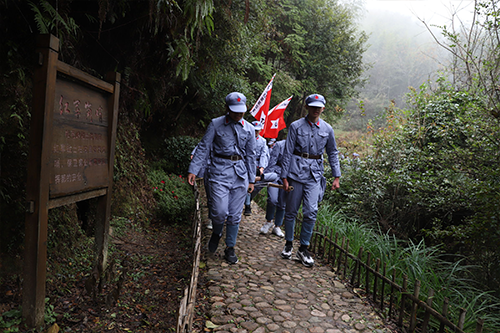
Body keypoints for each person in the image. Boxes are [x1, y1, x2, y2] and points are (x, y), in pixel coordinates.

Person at [188, 92, 256, 264]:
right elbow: (203, 147)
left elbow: (251, 155)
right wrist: (193, 170)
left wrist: (252, 179)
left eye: (241, 111)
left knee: (234, 215)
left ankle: (230, 247)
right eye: (235, 111)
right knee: (219, 212)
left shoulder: (249, 129)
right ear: (226, 108)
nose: (238, 114)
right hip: (219, 172)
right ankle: (217, 231)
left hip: (240, 175)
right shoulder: (216, 124)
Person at [280, 93, 341, 267]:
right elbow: (287, 151)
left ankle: (304, 248)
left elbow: (332, 152)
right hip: (295, 173)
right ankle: (289, 244)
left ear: (323, 108)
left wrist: (336, 176)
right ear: (307, 107)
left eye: (318, 107)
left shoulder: (327, 129)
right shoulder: (295, 126)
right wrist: (284, 177)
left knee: (311, 211)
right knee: (291, 210)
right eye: (312, 106)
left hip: (315, 174)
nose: (315, 109)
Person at [258, 139, 286, 237]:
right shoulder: (280, 144)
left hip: (288, 177)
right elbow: (272, 162)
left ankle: (277, 226)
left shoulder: (299, 146)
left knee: (282, 203)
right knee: (272, 199)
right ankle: (269, 221)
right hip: (275, 175)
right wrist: (268, 177)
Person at [243, 121, 269, 216]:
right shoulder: (247, 138)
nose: (256, 132)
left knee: (252, 185)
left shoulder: (262, 141)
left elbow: (263, 154)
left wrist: (261, 167)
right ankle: (247, 205)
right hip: (246, 163)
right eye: (255, 130)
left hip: (256, 164)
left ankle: (247, 202)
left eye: (258, 130)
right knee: (247, 183)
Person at [190, 143, 212, 230]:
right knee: (211, 197)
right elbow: (196, 152)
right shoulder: (208, 139)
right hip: (209, 173)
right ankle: (211, 219)